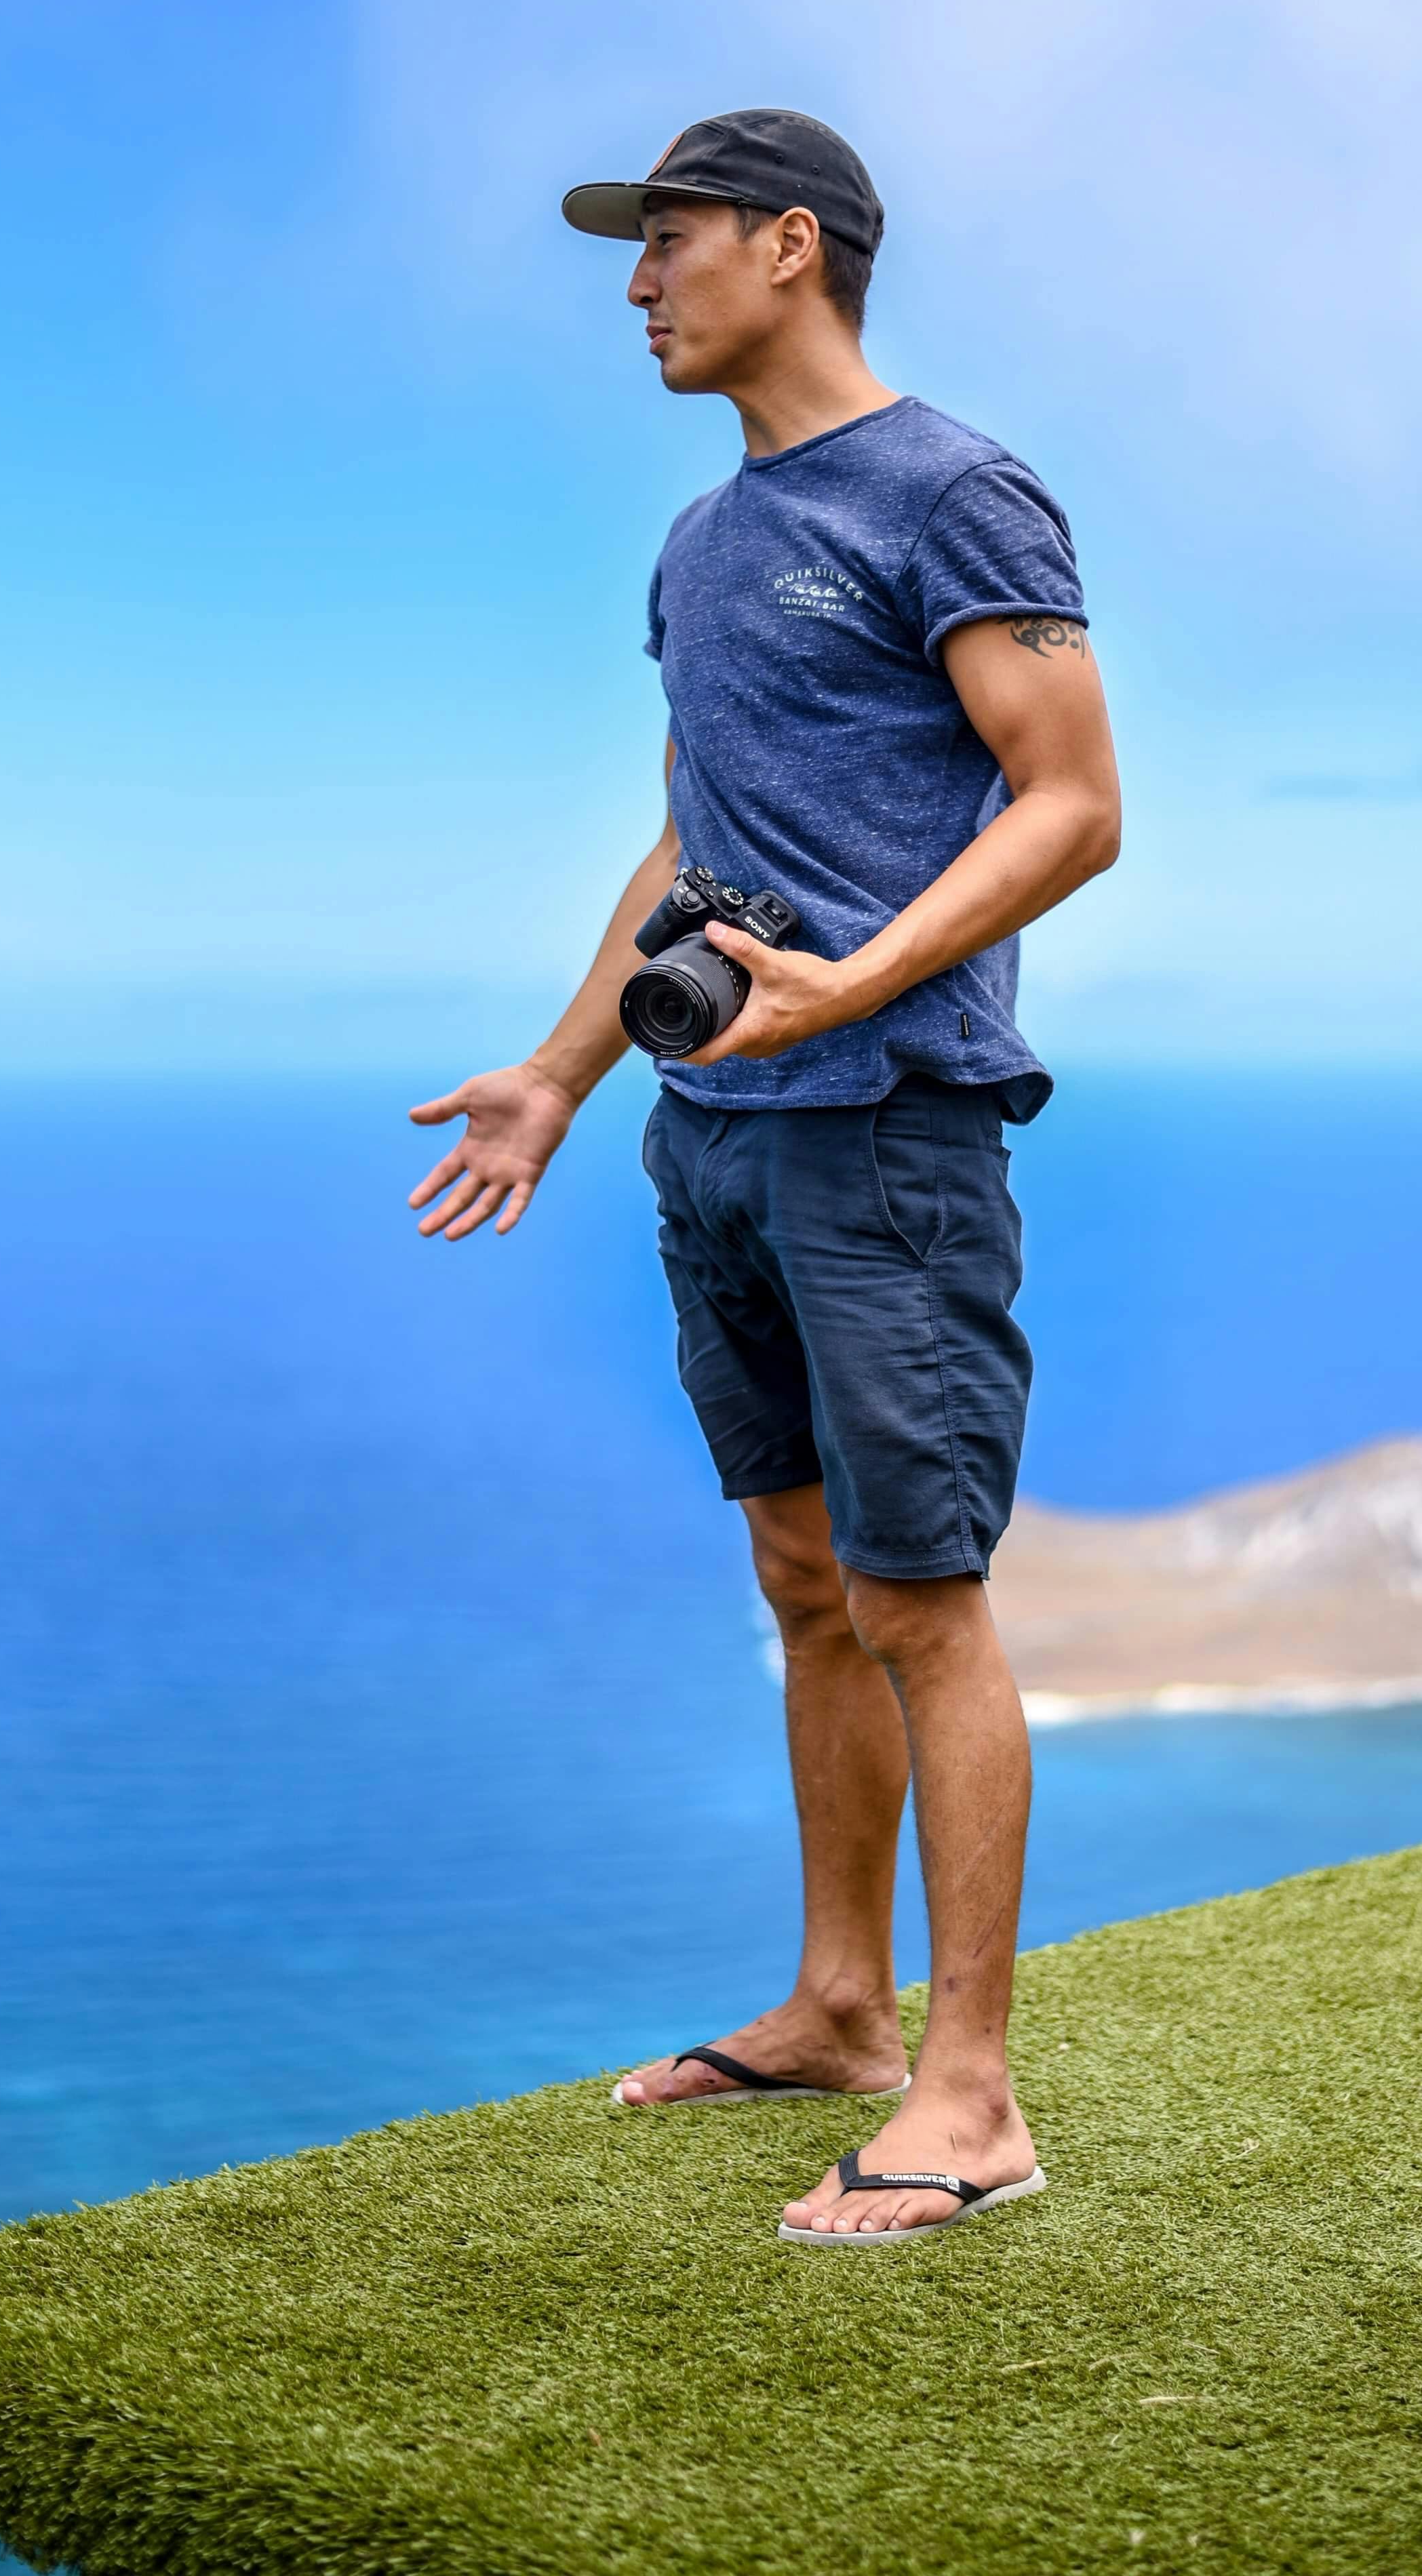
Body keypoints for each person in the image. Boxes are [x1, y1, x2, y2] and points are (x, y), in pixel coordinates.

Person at [406, 110, 1121, 2245]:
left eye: (672, 244)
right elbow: (688, 837)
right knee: (804, 1586)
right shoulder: (703, 544)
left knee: (920, 1598)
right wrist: (555, 1074)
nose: (637, 285)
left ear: (792, 249)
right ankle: (839, 2006)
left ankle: (973, 2098)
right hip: (709, 1133)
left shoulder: (954, 490)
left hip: (891, 1131)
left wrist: (858, 990)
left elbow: (1073, 804)